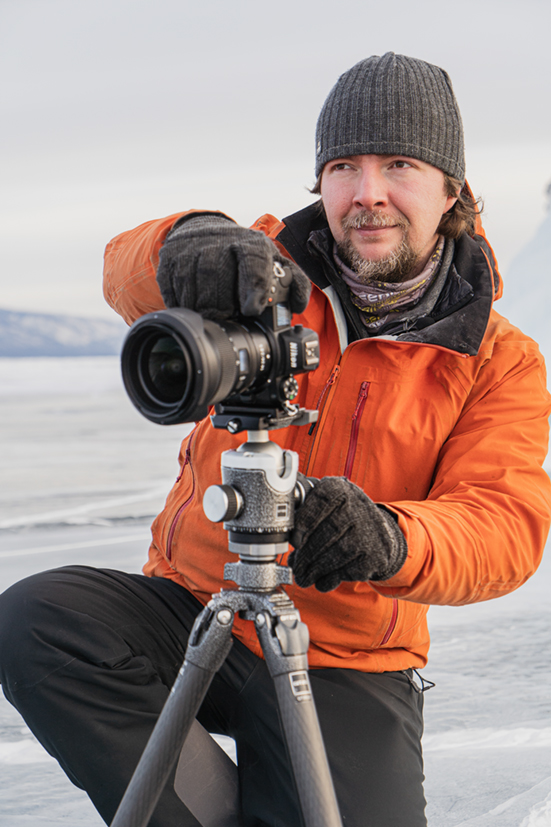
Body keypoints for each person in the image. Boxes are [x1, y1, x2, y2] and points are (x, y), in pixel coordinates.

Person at [1, 52, 550, 827]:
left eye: (398, 165)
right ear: (320, 182)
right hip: (197, 605)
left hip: (348, 656)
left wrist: (388, 537)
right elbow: (124, 273)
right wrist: (185, 239)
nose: (367, 193)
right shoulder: (262, 267)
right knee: (39, 619)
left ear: (451, 189)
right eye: (343, 167)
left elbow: (501, 524)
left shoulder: (495, 358)